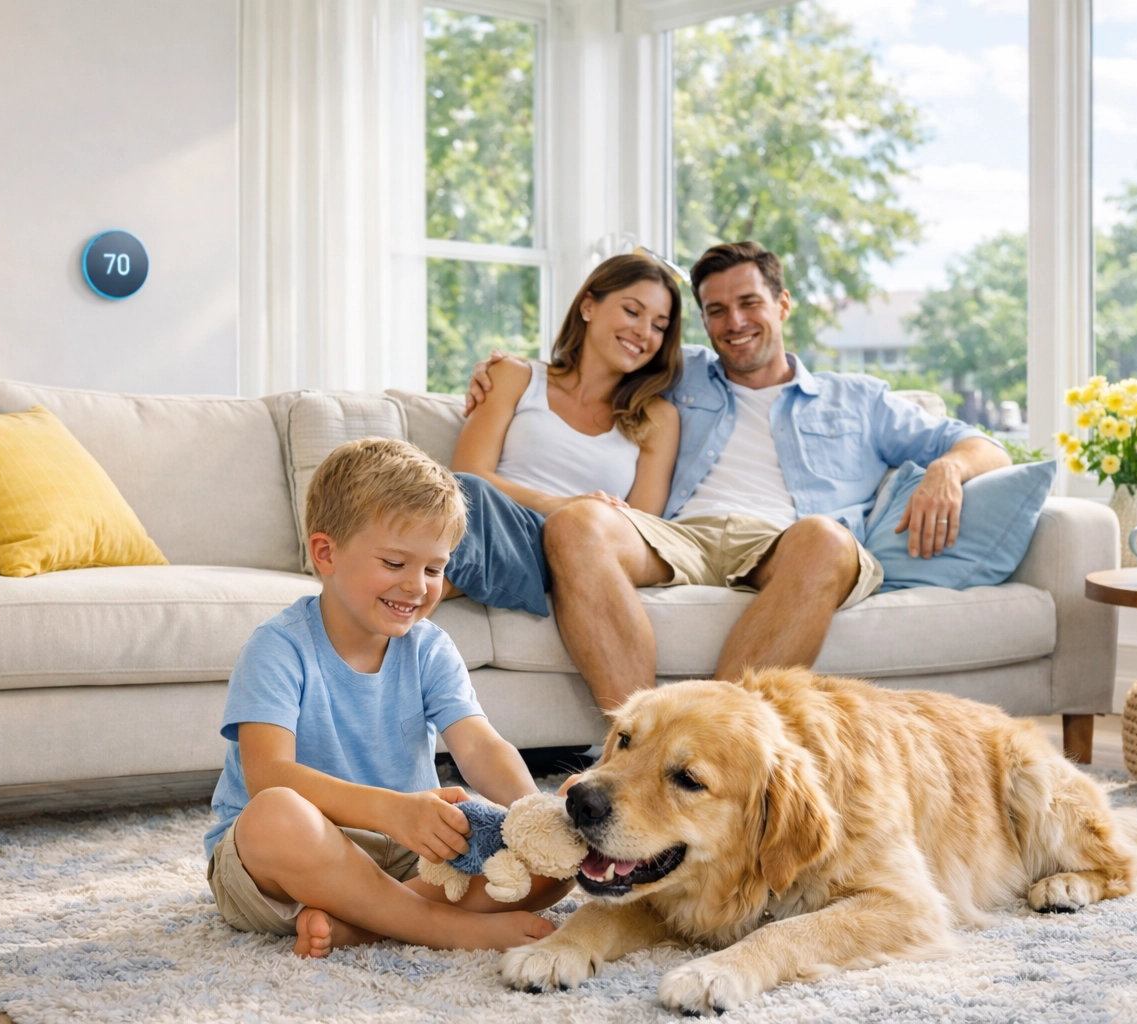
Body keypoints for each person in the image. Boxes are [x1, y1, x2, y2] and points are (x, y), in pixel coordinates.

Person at [468, 241, 1012, 710]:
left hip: (786, 544)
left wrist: (948, 468)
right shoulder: (676, 372)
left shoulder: (858, 399)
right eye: (717, 310)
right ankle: (639, 740)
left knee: (826, 539)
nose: (734, 323)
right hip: (680, 538)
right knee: (578, 522)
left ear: (783, 304)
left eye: (749, 303)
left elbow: (985, 446)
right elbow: (607, 351)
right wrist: (499, 372)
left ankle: (707, 742)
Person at [203, 438, 572, 958]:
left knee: (557, 860)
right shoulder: (278, 647)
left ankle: (363, 924)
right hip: (288, 864)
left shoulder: (430, 648)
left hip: (406, 858)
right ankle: (438, 926)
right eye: (395, 562)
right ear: (326, 553)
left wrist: (533, 813)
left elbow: (479, 745)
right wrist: (393, 811)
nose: (417, 587)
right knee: (274, 814)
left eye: (434, 569)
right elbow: (269, 776)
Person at [440, 252, 684, 618]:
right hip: (487, 519)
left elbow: (641, 527)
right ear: (588, 306)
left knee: (421, 560)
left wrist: (570, 516)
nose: (644, 332)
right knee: (452, 502)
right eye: (632, 311)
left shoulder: (659, 417)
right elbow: (467, 474)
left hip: (569, 545)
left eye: (660, 326)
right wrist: (562, 503)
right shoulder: (514, 376)